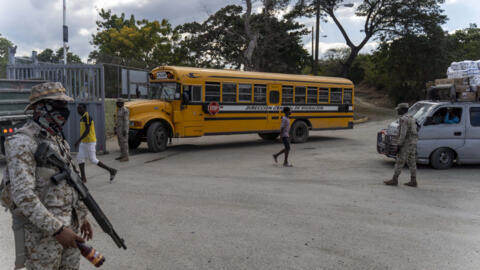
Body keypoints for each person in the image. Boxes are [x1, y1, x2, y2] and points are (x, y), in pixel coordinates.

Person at [1, 82, 93, 270]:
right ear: (39, 108)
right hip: (42, 235)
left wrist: (82, 215)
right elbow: (23, 196)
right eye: (57, 105)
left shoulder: (57, 140)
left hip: (71, 227)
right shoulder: (22, 142)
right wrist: (57, 230)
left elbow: (72, 182)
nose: (64, 111)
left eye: (65, 105)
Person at [75, 104, 117, 182]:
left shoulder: (87, 117)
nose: (78, 110)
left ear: (84, 109)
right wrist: (80, 141)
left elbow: (87, 131)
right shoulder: (82, 118)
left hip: (90, 142)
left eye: (80, 108)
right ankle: (83, 178)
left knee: (93, 160)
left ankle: (111, 170)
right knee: (80, 158)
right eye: (77, 109)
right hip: (84, 142)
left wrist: (78, 140)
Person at [385, 103, 419, 187]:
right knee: (412, 161)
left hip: (406, 143)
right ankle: (413, 180)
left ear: (403, 110)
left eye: (398, 109)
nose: (397, 111)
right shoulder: (412, 118)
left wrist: (399, 145)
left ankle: (394, 179)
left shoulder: (404, 119)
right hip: (413, 142)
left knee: (400, 161)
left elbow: (403, 134)